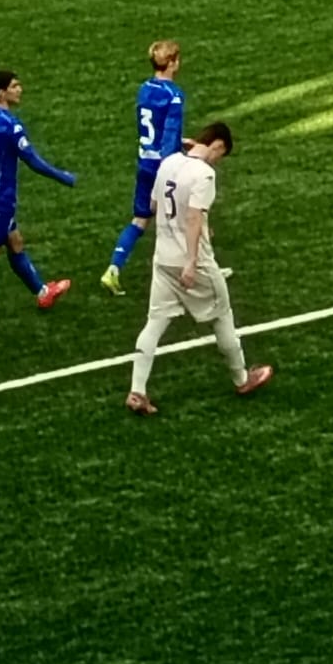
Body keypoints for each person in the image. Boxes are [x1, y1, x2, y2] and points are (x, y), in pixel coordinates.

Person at [125, 123, 273, 416]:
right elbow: (194, 217)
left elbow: (153, 205)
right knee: (222, 315)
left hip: (163, 257)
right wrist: (192, 260)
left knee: (154, 322)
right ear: (218, 145)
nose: (218, 161)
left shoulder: (169, 162)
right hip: (194, 261)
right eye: (221, 155)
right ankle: (242, 378)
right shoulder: (204, 174)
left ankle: (137, 390)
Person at [0, 70, 75, 325]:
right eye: (14, 86)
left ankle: (42, 292)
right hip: (0, 200)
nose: (19, 89)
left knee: (15, 241)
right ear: (2, 93)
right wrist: (63, 176)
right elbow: (32, 160)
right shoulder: (11, 125)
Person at [102, 41, 185, 297]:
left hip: (145, 161)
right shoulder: (174, 94)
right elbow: (169, 132)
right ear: (171, 63)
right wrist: (173, 163)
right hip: (164, 165)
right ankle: (198, 270)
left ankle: (113, 269)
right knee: (187, 214)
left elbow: (149, 128)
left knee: (140, 219)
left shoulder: (145, 89)